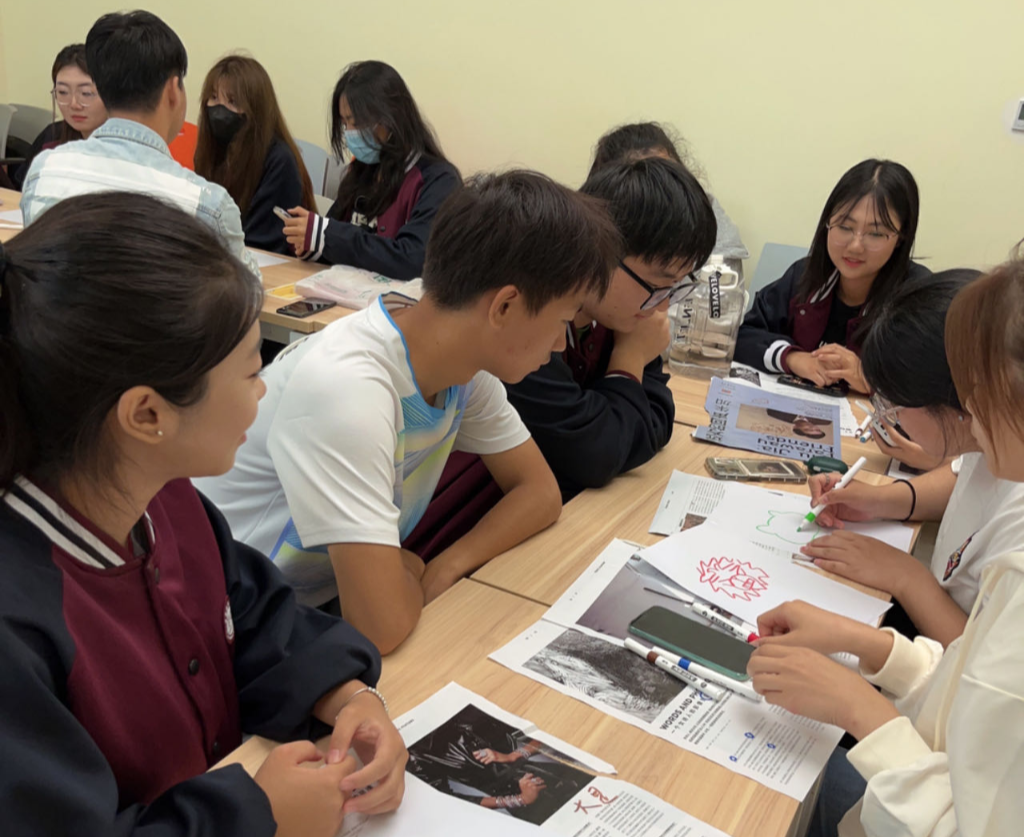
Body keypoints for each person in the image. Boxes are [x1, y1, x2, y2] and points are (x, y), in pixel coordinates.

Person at [0, 192, 406, 836]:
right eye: (250, 373)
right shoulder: (18, 623)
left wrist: (348, 693)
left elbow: (254, 616)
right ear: (148, 414)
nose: (262, 391)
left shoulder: (166, 499)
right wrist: (258, 818)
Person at [198, 170, 621, 654]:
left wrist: (445, 566)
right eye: (563, 320)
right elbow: (378, 627)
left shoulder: (463, 369)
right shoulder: (349, 388)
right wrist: (408, 567)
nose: (560, 344)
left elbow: (540, 493)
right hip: (227, 624)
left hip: (306, 609)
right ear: (504, 306)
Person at [746, 255, 1024, 837]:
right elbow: (969, 686)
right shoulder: (998, 461)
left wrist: (857, 705)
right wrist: (864, 643)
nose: (971, 411)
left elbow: (972, 815)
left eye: (977, 393)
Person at [798, 269, 1024, 647]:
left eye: (892, 404)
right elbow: (961, 476)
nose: (890, 417)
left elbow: (984, 663)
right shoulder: (995, 443)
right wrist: (880, 501)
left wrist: (906, 576)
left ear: (957, 402)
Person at [504, 157, 716, 499]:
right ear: (601, 249)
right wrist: (629, 357)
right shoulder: (534, 324)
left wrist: (615, 429)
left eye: (675, 288)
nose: (663, 306)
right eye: (656, 286)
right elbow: (592, 456)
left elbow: (658, 419)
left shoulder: (622, 314)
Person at [19, 11, 260, 277]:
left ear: (102, 90)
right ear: (173, 91)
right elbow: (247, 291)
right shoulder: (205, 206)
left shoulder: (44, 173)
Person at [736, 159, 929, 392]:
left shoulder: (919, 298)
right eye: (845, 227)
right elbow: (742, 335)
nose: (855, 246)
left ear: (901, 238)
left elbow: (939, 385)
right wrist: (793, 358)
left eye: (876, 234)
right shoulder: (804, 276)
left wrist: (872, 380)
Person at [282, 60, 459, 279]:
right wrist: (312, 245)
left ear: (391, 117)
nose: (350, 133)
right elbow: (338, 239)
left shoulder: (438, 180)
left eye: (356, 123)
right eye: (345, 124)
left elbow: (413, 260)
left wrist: (327, 236)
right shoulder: (361, 171)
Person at [589, 121, 748, 277]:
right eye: (645, 183)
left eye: (669, 174)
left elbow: (721, 290)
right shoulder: (590, 232)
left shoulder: (710, 223)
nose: (664, 190)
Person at [194, 54, 316, 254]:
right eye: (214, 97)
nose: (220, 109)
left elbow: (261, 241)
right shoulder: (212, 151)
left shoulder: (279, 160)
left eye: (232, 101)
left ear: (255, 109)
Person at [10, 44, 108, 189]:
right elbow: (24, 190)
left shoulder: (127, 148)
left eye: (86, 93)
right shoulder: (51, 136)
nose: (74, 104)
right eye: (63, 92)